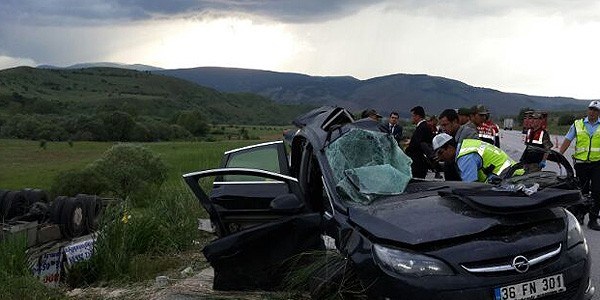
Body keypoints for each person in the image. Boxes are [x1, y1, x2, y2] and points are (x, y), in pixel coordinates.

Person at [559, 100, 600, 231]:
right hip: (581, 164)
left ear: (599, 113)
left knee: (597, 191)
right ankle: (580, 215)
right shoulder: (578, 124)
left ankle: (593, 220)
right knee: (582, 191)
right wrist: (559, 155)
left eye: (595, 110)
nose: (592, 112)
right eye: (591, 109)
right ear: (587, 110)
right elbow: (567, 140)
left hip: (597, 164)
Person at [433, 133, 518, 183]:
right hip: (511, 175)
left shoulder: (465, 157)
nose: (440, 157)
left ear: (450, 147)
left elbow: (470, 187)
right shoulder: (466, 145)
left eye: (440, 153)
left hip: (511, 178)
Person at [405, 106, 435, 178]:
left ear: (417, 116)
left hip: (418, 164)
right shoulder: (423, 127)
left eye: (413, 116)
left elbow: (417, 145)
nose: (412, 118)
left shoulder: (422, 127)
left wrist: (407, 150)